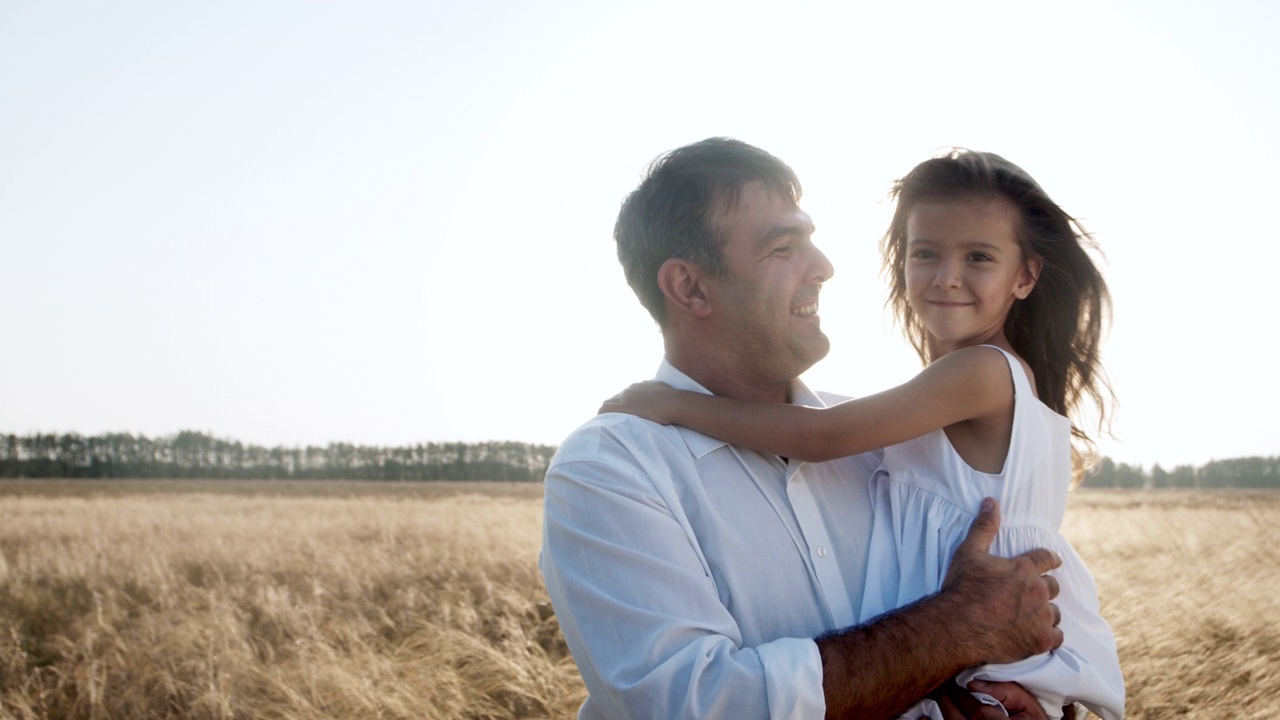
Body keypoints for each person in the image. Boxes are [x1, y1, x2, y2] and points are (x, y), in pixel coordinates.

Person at [540, 137, 1065, 720]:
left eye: (810, 240)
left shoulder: (893, 444)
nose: (824, 267)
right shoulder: (611, 468)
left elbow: (1017, 592)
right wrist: (957, 629)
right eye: (783, 247)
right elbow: (698, 706)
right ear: (689, 287)